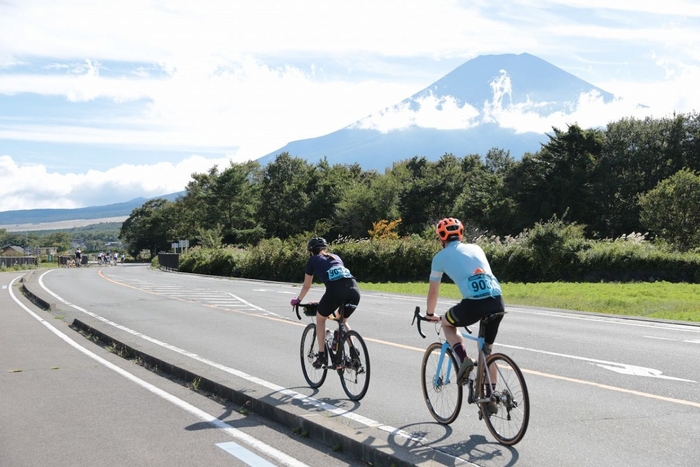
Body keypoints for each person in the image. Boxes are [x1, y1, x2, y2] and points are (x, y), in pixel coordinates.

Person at [425, 217, 504, 411]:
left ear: (441, 238)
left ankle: (463, 360)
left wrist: (429, 313)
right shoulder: (476, 248)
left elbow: (433, 292)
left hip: (473, 305)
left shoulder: (440, 257)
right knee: (486, 351)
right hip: (497, 301)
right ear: (461, 234)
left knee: (447, 323)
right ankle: (490, 397)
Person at [290, 237, 361, 369]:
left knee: (320, 319)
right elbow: (340, 279)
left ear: (311, 251)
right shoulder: (335, 257)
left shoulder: (313, 260)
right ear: (325, 248)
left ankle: (322, 355)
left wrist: (298, 300)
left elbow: (307, 286)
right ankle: (354, 352)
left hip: (335, 292)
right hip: (354, 290)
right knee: (342, 320)